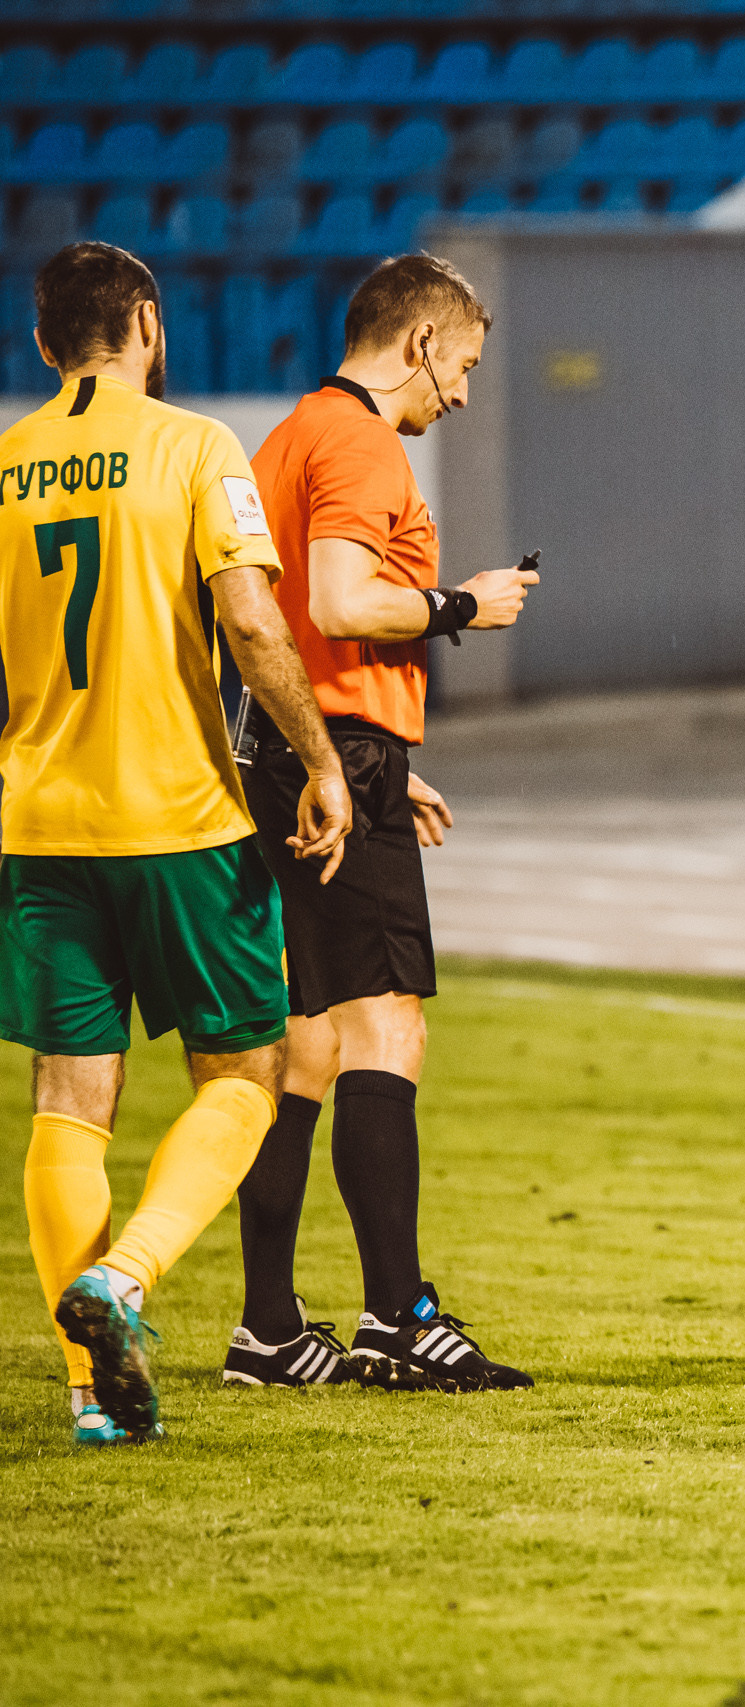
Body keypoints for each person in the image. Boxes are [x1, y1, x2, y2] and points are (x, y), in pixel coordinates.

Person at [2, 242, 352, 1444]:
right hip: (181, 819)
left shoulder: (4, 464)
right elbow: (252, 621)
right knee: (247, 1073)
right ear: (147, 323)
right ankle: (128, 1278)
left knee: (69, 1099)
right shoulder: (195, 446)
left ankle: (95, 1397)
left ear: (45, 341)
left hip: (41, 825)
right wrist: (317, 763)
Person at [226, 252, 543, 1394]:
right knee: (386, 1028)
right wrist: (466, 605)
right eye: (458, 366)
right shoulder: (357, 439)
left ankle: (268, 1325)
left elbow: (269, 627)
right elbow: (339, 603)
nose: (457, 394)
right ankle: (397, 1320)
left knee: (308, 1041)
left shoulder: (291, 436)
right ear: (417, 344)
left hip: (306, 752)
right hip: (331, 759)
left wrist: (361, 754)